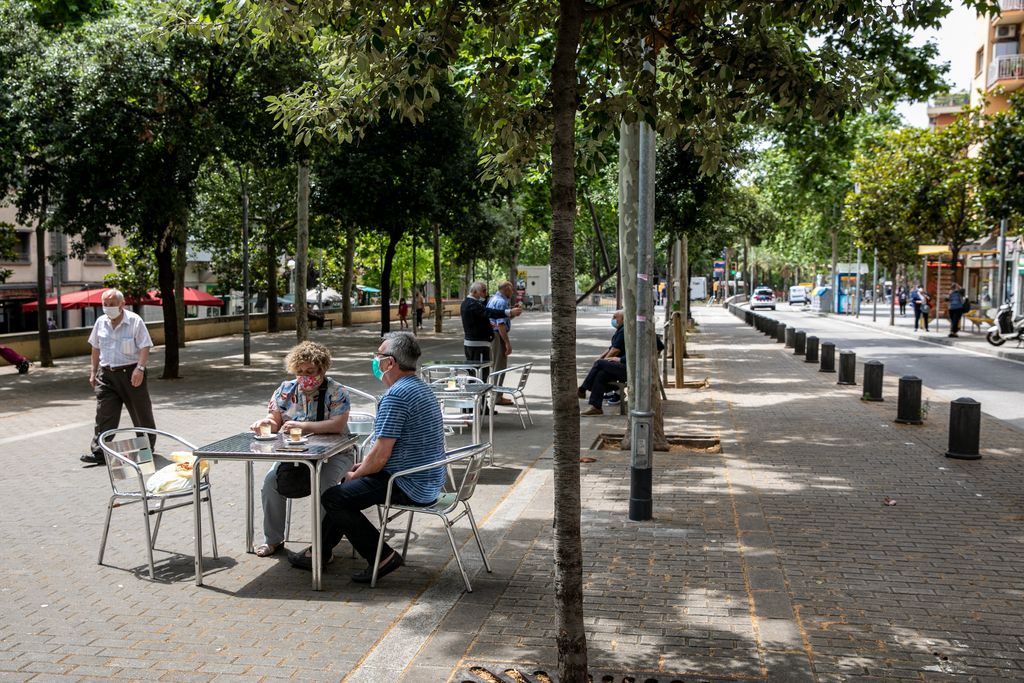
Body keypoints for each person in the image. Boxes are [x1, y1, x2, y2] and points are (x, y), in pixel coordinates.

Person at [287, 332, 446, 582]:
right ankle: (319, 552)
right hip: (427, 476)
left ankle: (382, 555)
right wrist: (363, 468)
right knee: (343, 491)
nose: (375, 361)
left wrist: (356, 473)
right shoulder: (419, 388)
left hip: (409, 482)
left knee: (335, 497)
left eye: (378, 356)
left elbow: (381, 456)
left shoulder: (396, 396)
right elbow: (388, 449)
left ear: (390, 363)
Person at [249, 341, 351, 558]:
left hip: (335, 455)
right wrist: (264, 424)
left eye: (310, 371)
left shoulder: (337, 391)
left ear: (322, 369)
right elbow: (274, 420)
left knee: (326, 486)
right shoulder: (285, 390)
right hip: (296, 454)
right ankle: (273, 539)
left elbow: (337, 425)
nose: (304, 376)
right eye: (300, 371)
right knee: (270, 484)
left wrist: (303, 426)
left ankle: (323, 545)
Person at [81, 289, 156, 465]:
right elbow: (95, 348)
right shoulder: (100, 322)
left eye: (112, 304)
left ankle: (146, 449)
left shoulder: (134, 321)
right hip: (106, 375)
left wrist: (140, 368)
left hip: (131, 373)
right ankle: (100, 452)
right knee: (104, 415)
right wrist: (93, 371)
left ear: (122, 304)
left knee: (140, 413)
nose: (108, 308)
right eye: (105, 305)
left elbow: (145, 346)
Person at [461, 281, 520, 382]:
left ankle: (480, 397)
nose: (486, 293)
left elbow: (480, 318)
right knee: (480, 376)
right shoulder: (472, 304)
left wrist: (488, 324)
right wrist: (509, 312)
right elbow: (489, 313)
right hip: (477, 346)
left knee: (478, 374)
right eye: (483, 291)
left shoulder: (471, 303)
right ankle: (480, 397)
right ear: (475, 291)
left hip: (476, 344)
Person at [577, 310, 627, 417]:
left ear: (623, 319)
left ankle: (583, 389)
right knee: (601, 375)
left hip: (626, 367)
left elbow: (615, 350)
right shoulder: (620, 330)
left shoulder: (623, 331)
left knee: (600, 365)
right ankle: (596, 407)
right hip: (620, 366)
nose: (613, 320)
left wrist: (602, 362)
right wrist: (600, 358)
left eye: (615, 317)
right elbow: (611, 348)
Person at [486, 281, 516, 402]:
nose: (513, 292)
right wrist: (507, 343)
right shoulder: (501, 302)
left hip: (492, 334)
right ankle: (497, 396)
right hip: (497, 335)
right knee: (499, 366)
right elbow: (501, 325)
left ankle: (495, 394)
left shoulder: (494, 299)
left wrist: (512, 313)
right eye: (511, 289)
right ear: (506, 289)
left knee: (496, 366)